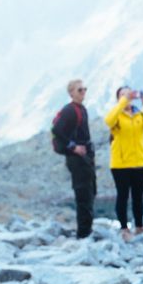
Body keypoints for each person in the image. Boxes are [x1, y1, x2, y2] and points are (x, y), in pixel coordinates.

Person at [104, 86, 143, 242]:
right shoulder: (116, 115)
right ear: (118, 99)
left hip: (140, 162)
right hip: (120, 164)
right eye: (123, 94)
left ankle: (140, 227)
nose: (127, 96)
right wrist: (123, 102)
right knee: (122, 196)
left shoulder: (139, 114)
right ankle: (124, 228)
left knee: (138, 197)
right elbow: (108, 120)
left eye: (129, 94)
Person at [52, 79, 97, 238]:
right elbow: (56, 130)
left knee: (90, 191)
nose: (83, 92)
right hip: (76, 159)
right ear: (71, 93)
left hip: (85, 156)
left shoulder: (82, 109)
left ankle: (87, 229)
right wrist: (73, 147)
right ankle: (83, 233)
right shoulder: (69, 110)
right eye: (80, 90)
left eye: (84, 89)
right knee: (83, 193)